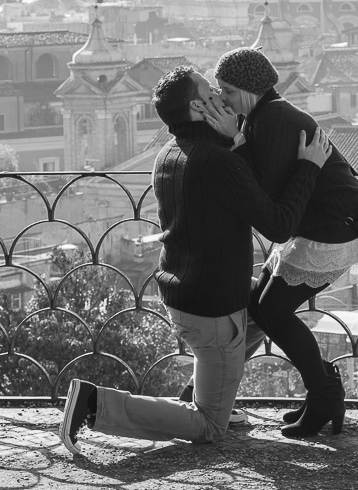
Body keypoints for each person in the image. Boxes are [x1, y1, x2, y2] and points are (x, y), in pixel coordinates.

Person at [59, 66, 330, 454]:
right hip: (214, 309)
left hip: (187, 292)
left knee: (264, 310)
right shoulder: (217, 162)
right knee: (208, 426)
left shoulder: (168, 155)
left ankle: (218, 390)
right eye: (210, 91)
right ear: (197, 107)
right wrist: (308, 168)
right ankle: (95, 404)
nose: (220, 95)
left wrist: (232, 140)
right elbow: (279, 226)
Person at [199, 47, 358, 438]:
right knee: (263, 311)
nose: (222, 98)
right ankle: (322, 391)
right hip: (319, 229)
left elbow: (263, 198)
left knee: (272, 312)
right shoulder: (265, 115)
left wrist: (234, 139)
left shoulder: (274, 119)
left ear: (248, 88)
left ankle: (325, 393)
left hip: (328, 233)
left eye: (227, 90)